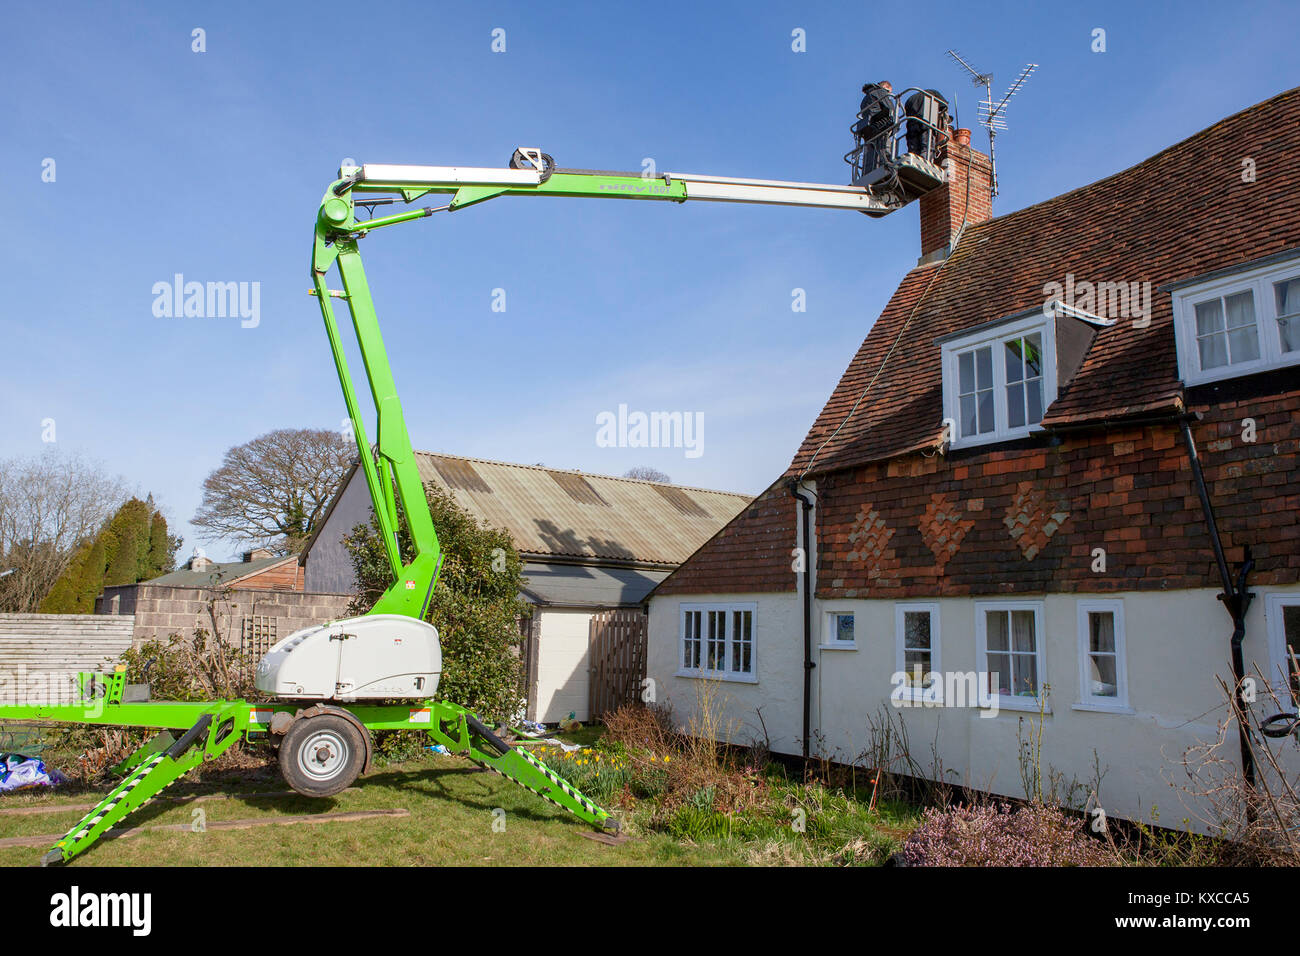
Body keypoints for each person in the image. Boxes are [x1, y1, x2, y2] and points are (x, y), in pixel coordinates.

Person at [852, 80, 896, 175]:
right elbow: (890, 109)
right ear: (886, 88)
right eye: (889, 92)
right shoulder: (880, 92)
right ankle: (887, 167)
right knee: (884, 149)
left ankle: (868, 172)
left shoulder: (866, 98)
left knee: (871, 153)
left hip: (868, 129)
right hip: (880, 125)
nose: (889, 95)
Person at [903, 89, 951, 162]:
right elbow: (944, 106)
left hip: (912, 125)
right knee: (927, 147)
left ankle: (912, 161)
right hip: (926, 124)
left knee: (913, 148)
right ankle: (925, 162)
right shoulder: (933, 93)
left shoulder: (910, 100)